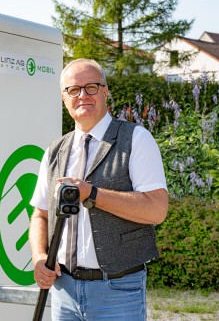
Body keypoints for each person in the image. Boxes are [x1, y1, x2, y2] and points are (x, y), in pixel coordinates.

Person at [29, 58, 168, 320]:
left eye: (91, 87)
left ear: (105, 91)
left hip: (117, 290)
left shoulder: (136, 139)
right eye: (73, 90)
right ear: (64, 97)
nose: (83, 95)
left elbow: (156, 209)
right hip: (64, 289)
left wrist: (93, 194)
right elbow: (40, 214)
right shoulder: (54, 151)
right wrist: (39, 257)